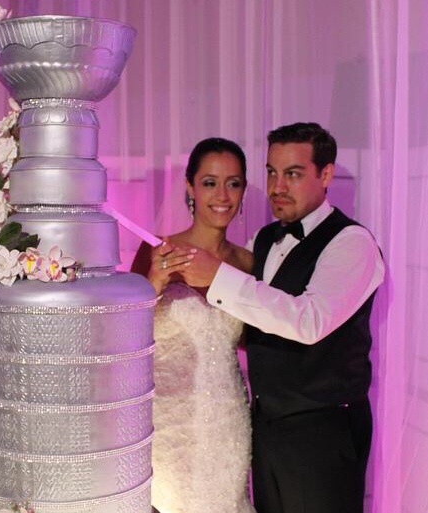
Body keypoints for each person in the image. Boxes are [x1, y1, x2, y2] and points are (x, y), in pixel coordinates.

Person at [180, 122, 385, 513]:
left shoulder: (352, 243)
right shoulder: (263, 239)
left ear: (325, 174)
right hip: (266, 431)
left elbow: (308, 321)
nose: (277, 187)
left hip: (322, 433)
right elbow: (255, 321)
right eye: (272, 173)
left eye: (292, 174)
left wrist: (217, 277)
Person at [131, 137, 255, 513]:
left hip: (227, 419)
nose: (222, 195)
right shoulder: (157, 250)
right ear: (190, 187)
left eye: (233, 183)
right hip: (169, 422)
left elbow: (257, 341)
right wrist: (153, 284)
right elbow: (121, 335)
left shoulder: (249, 263)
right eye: (210, 182)